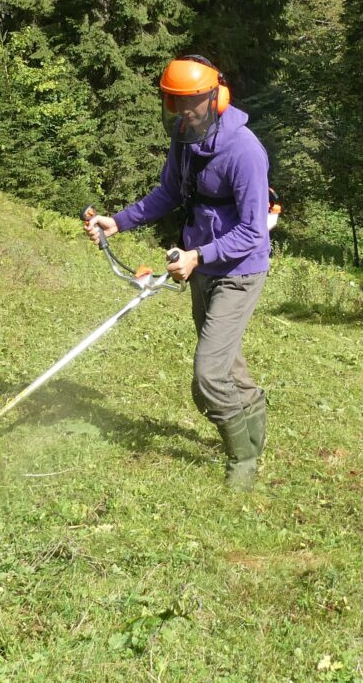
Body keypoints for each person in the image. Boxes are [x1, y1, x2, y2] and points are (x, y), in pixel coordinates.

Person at [86, 55, 272, 490]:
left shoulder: (245, 151)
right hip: (201, 266)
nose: (183, 111)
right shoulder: (184, 136)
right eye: (174, 102)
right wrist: (119, 222)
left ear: (216, 96)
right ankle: (254, 425)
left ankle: (243, 458)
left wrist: (198, 256)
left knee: (208, 377)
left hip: (239, 271)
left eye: (191, 102)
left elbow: (253, 231)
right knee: (225, 360)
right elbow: (169, 191)